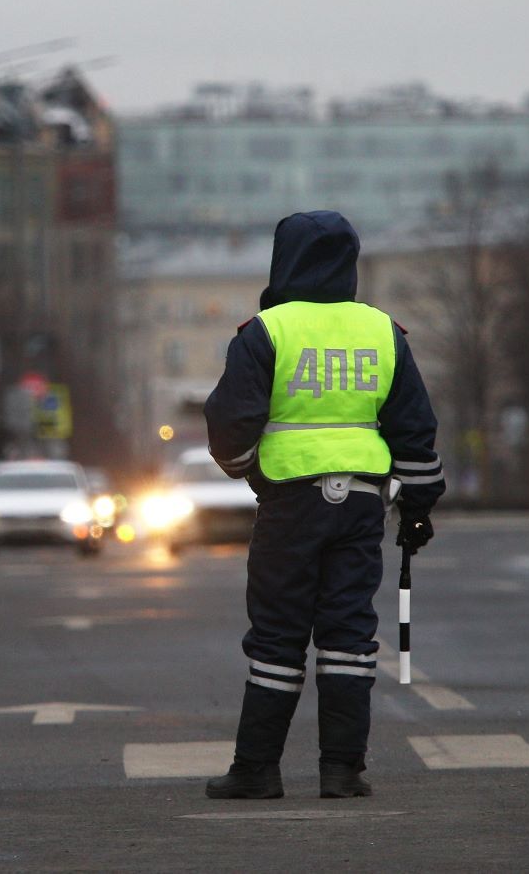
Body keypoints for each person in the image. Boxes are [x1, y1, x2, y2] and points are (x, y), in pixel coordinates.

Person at [202, 210, 445, 800]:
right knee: (348, 636)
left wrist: (253, 475)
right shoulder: (382, 332)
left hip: (289, 506)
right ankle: (342, 771)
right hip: (361, 504)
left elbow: (228, 427)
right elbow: (414, 430)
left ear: (283, 260)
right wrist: (417, 508)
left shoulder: (267, 332)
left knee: (278, 637)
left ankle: (257, 770)